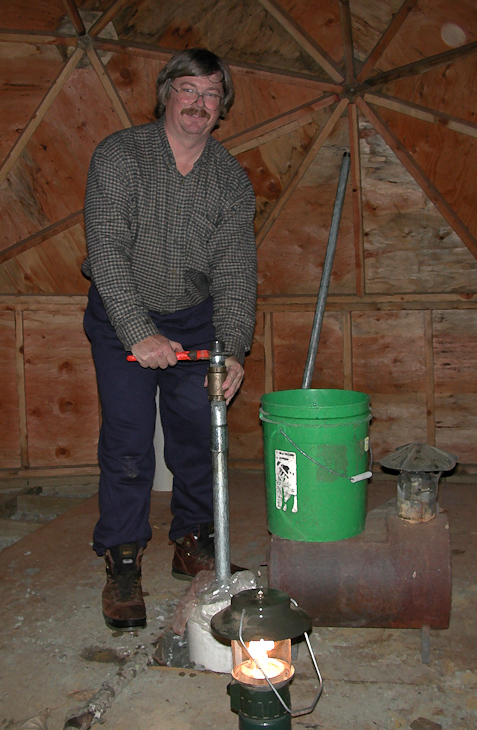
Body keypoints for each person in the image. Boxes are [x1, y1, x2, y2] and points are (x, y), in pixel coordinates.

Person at [82, 48, 257, 630]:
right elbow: (105, 252)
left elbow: (235, 273)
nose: (198, 104)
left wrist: (229, 349)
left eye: (211, 94)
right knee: (129, 443)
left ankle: (194, 540)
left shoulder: (230, 180)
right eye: (188, 89)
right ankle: (124, 561)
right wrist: (138, 332)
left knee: (196, 436)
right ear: (165, 94)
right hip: (120, 312)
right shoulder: (120, 156)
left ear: (221, 107)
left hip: (193, 320)